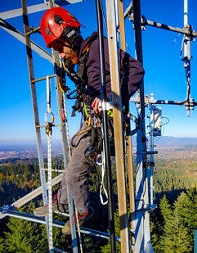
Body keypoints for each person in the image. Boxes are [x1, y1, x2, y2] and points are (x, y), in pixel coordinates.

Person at [33, 7, 144, 235]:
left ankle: (83, 211)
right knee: (71, 166)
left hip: (104, 123)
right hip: (91, 122)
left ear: (71, 37)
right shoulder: (85, 58)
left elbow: (136, 69)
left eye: (59, 48)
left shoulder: (98, 47)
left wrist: (115, 98)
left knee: (74, 174)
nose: (61, 55)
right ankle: (62, 202)